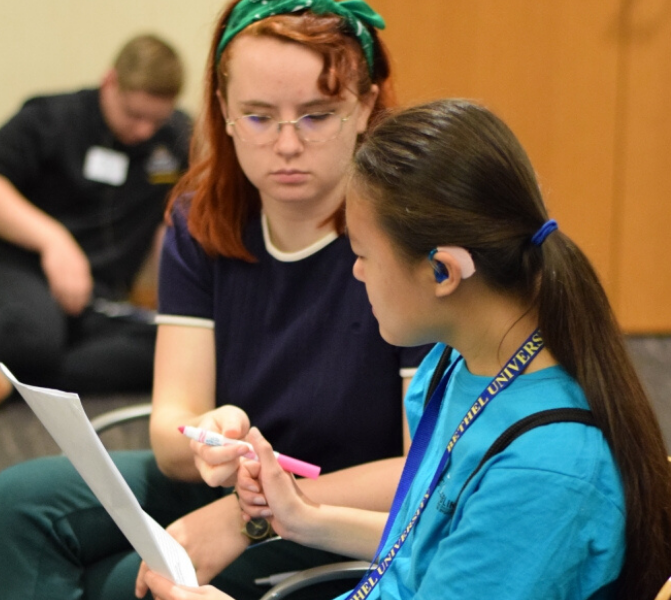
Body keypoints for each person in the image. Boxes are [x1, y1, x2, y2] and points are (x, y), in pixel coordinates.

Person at [142, 99, 671, 600]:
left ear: (442, 271)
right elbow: (432, 538)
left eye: (364, 255)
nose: (356, 272)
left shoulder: (541, 473)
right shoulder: (457, 363)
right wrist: (304, 517)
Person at [0, 2, 429, 599]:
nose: (286, 144)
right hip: (233, 485)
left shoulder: (406, 235)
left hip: (344, 504)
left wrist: (246, 516)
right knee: (14, 509)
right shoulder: (202, 218)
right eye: (258, 117)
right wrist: (206, 437)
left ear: (366, 109)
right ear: (223, 111)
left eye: (317, 115)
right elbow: (173, 434)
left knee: (126, 583)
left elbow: (423, 470)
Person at [0, 34, 191, 403]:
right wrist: (53, 241)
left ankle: (22, 382)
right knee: (32, 334)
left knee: (171, 349)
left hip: (98, 297)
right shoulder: (49, 119)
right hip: (25, 274)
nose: (144, 131)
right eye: (134, 115)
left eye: (156, 120)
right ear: (110, 82)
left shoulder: (175, 138)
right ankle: (33, 365)